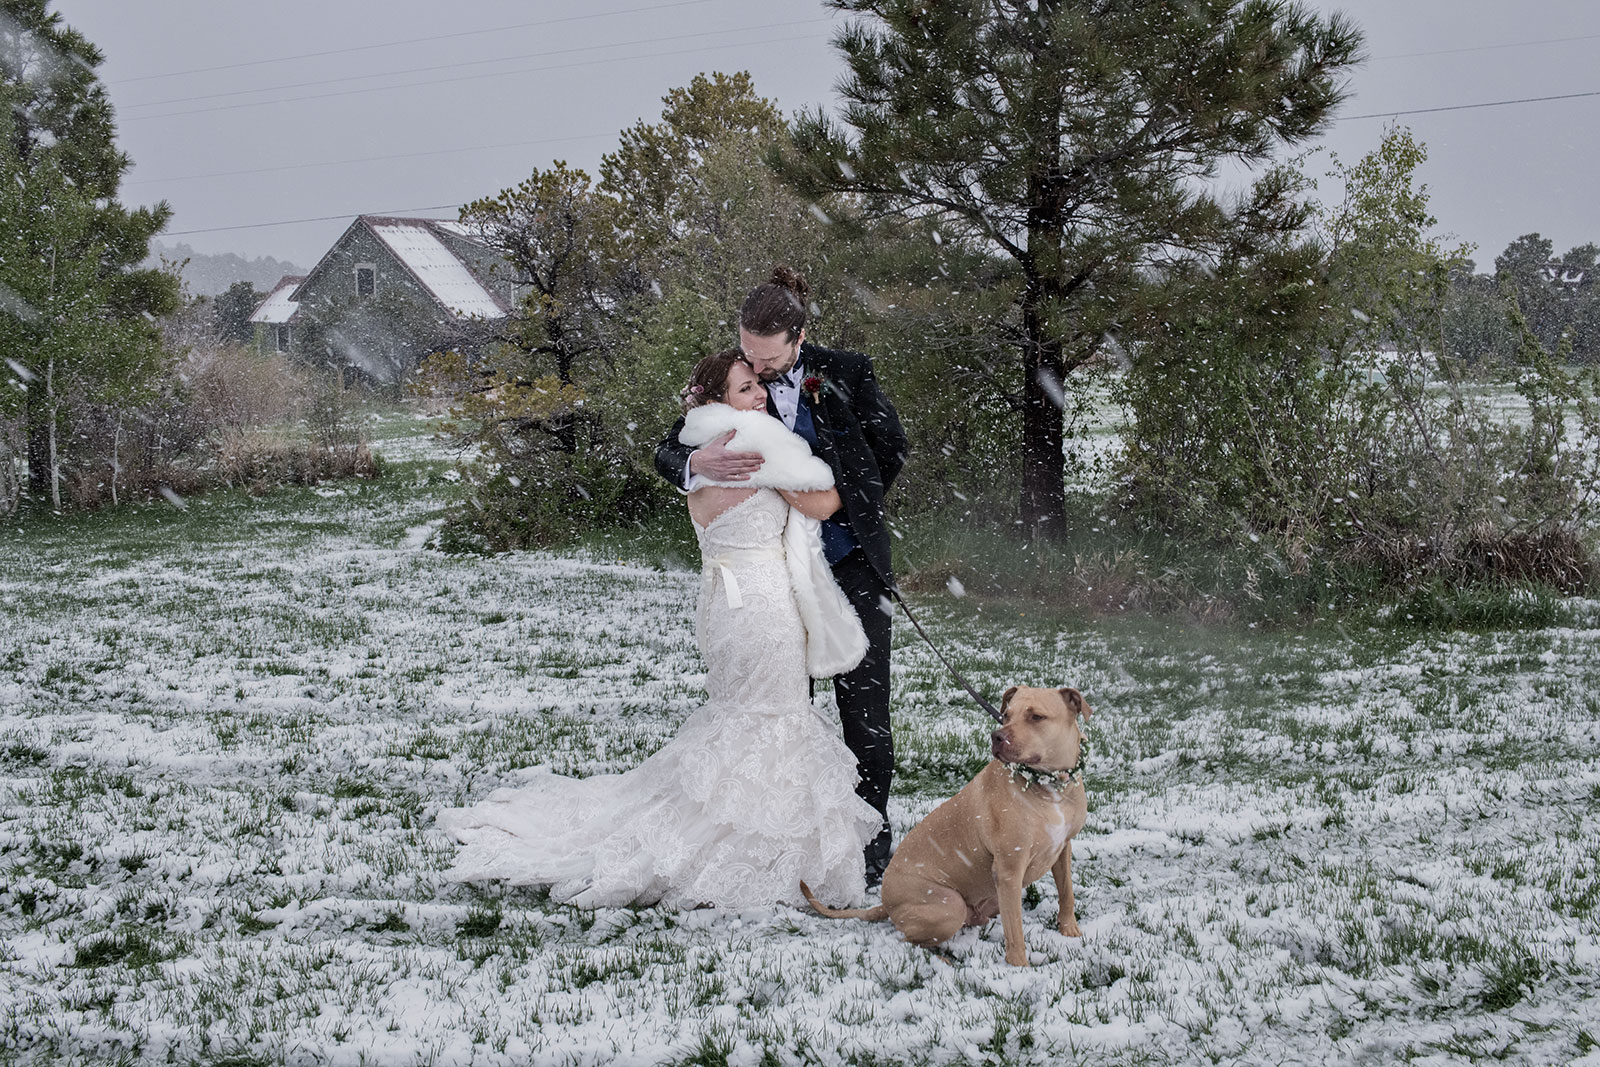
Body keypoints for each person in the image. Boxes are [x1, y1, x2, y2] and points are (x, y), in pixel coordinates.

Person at [438, 350, 881, 909]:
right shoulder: (750, 447)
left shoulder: (705, 452)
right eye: (746, 390)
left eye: (757, 387)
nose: (760, 396)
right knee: (771, 718)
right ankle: (744, 849)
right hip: (763, 608)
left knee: (746, 716)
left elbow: (696, 474)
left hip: (730, 604)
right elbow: (826, 499)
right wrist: (791, 476)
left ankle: (746, 834)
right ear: (721, 402)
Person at [655, 266, 907, 884]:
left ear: (799, 340)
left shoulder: (845, 373)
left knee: (864, 704)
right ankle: (788, 841)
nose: (759, 371)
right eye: (748, 356)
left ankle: (867, 836)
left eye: (769, 361)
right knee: (789, 710)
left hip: (847, 561)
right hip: (770, 572)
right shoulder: (729, 382)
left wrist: (835, 499)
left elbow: (890, 450)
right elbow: (668, 450)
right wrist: (696, 460)